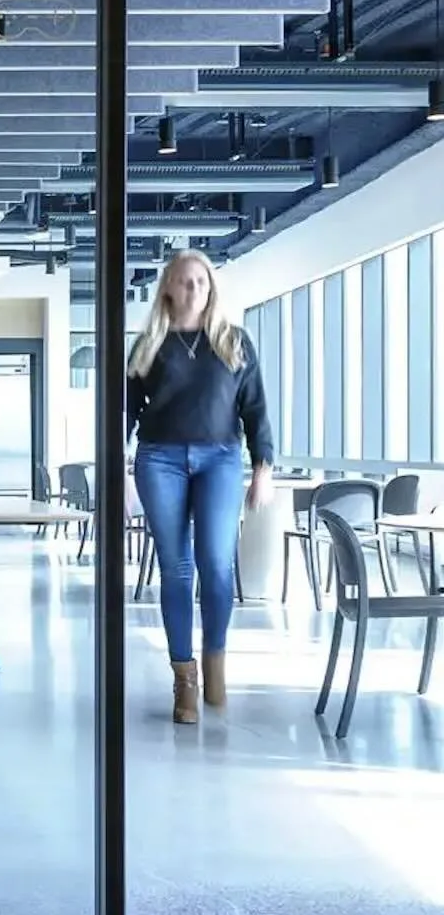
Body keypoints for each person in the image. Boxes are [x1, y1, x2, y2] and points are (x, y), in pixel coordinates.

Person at [127, 250, 273, 724]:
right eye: (185, 282)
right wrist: (116, 472)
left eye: (201, 283)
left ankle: (215, 660)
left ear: (211, 289)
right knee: (176, 568)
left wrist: (263, 468)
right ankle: (184, 678)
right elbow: (123, 413)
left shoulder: (234, 342)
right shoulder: (149, 344)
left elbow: (255, 409)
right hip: (159, 460)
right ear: (167, 287)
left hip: (221, 460)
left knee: (216, 563)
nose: (194, 290)